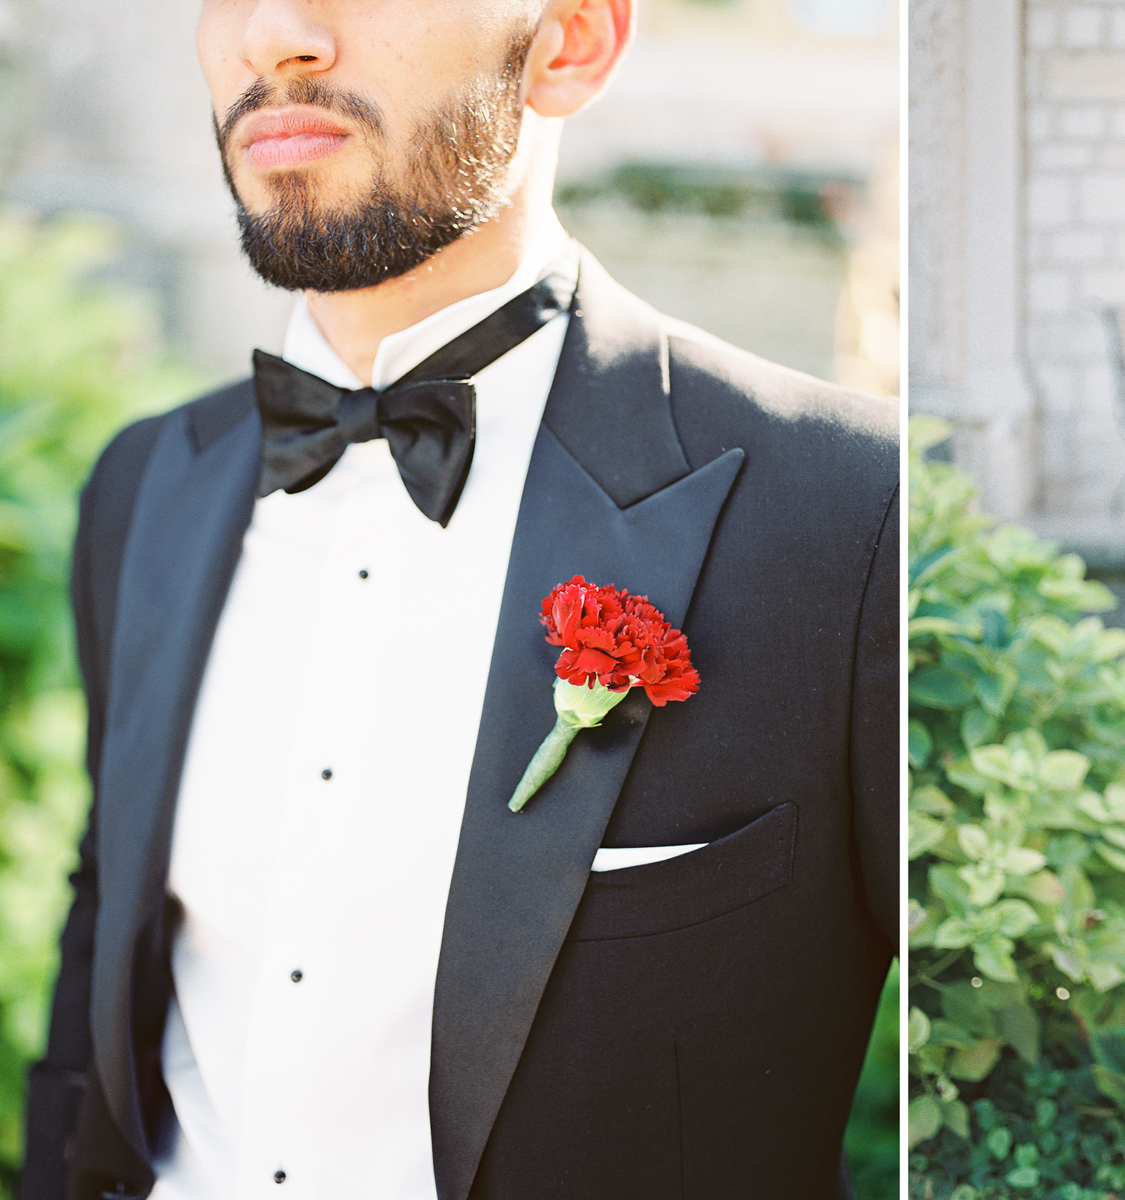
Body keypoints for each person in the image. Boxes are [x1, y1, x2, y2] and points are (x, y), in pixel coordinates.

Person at [20, 2, 897, 1198]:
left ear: (570, 41)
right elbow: (105, 942)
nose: (276, 36)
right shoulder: (144, 487)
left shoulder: (852, 515)